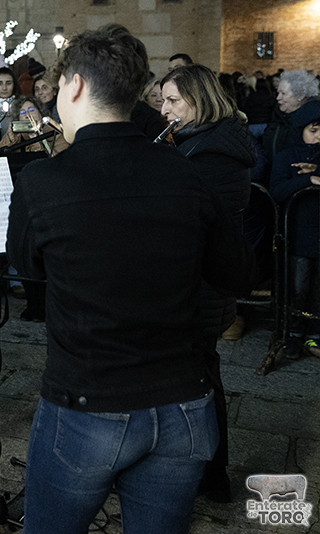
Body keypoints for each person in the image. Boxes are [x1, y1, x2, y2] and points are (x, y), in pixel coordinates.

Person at [7, 27, 253, 534]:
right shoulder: (186, 171)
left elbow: (30, 273)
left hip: (88, 402)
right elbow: (234, 273)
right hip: (185, 403)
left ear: (73, 86)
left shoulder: (43, 180)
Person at [160, 63, 256, 503]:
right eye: (162, 100)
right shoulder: (196, 141)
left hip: (201, 283)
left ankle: (211, 474)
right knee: (199, 377)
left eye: (173, 101)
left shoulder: (215, 152)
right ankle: (205, 472)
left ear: (199, 101)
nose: (164, 109)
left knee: (199, 382)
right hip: (192, 280)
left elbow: (191, 219)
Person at [269, 100, 320, 362]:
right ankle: (293, 334)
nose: (318, 136)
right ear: (301, 129)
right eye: (314, 130)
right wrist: (307, 180)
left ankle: (314, 333)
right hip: (299, 234)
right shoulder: (286, 156)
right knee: (298, 287)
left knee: (318, 288)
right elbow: (277, 189)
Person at [259, 70, 319, 182]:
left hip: (299, 183)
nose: (278, 98)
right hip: (275, 179)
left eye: (283, 93)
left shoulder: (313, 121)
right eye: (278, 93)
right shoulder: (279, 115)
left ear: (300, 95)